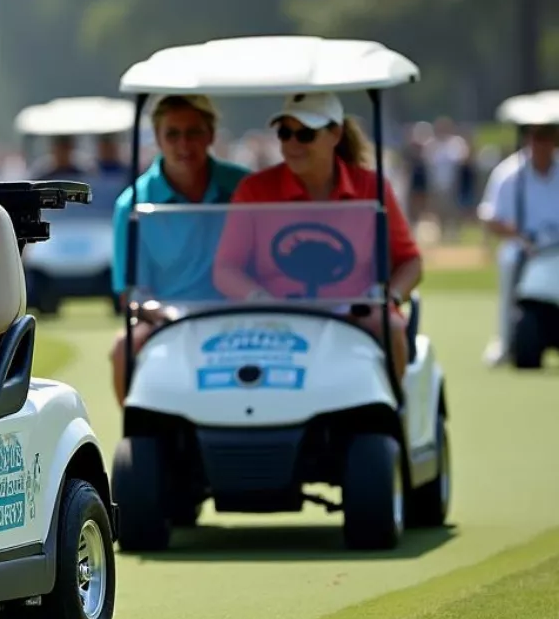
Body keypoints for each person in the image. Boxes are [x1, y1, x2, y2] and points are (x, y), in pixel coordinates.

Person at [214, 92, 422, 380]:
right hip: (275, 313)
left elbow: (409, 261)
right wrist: (262, 300)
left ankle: (391, 417)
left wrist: (389, 297)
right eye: (285, 134)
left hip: (354, 311)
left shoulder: (371, 188)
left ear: (335, 134)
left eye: (305, 135)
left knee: (393, 328)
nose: (292, 144)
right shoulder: (255, 190)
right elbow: (226, 268)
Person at [109, 95, 249, 404]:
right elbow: (131, 294)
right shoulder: (132, 203)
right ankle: (137, 436)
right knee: (122, 350)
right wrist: (165, 314)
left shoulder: (244, 187)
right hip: (168, 317)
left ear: (211, 135)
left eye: (194, 132)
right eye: (173, 134)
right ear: (157, 138)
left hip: (244, 311)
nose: (184, 145)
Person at [477, 121, 559, 366]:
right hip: (524, 246)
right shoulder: (509, 174)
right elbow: (490, 217)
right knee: (509, 260)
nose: (542, 144)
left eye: (548, 136)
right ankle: (505, 339)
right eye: (537, 136)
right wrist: (514, 233)